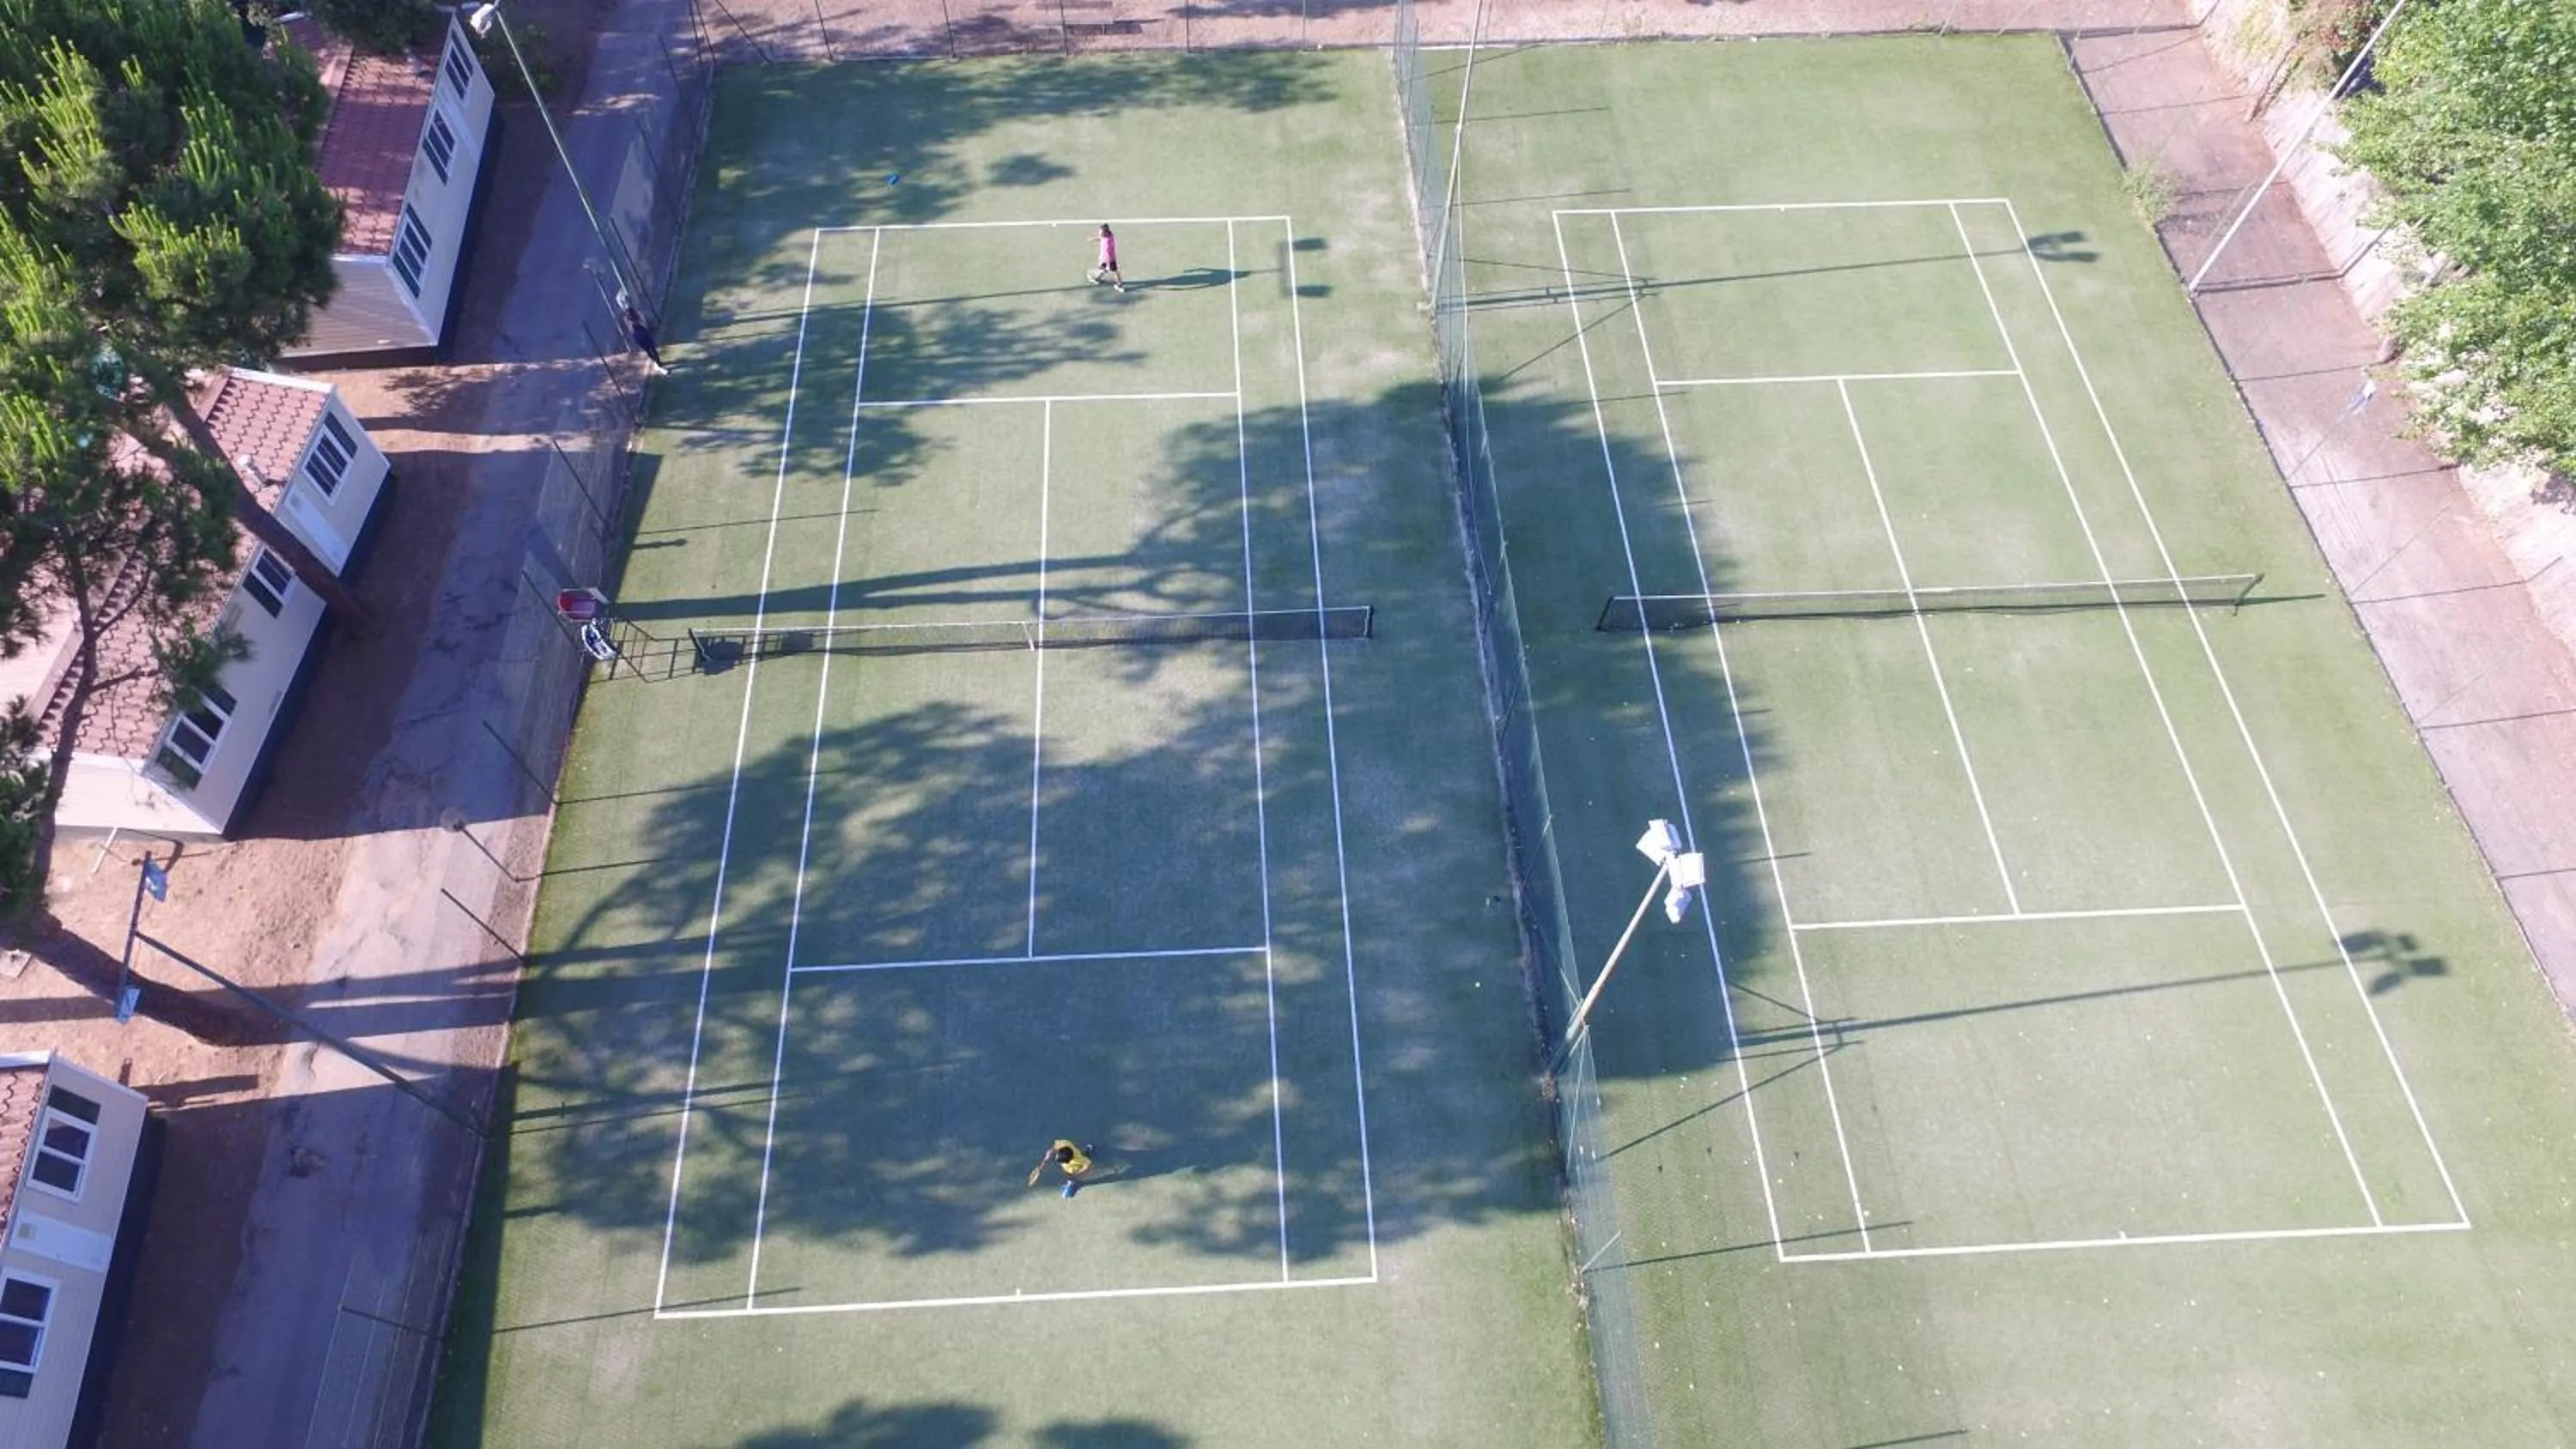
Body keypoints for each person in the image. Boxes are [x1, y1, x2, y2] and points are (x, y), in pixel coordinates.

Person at [1031, 1139, 1096, 1198]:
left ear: (1068, 1161)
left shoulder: (1077, 1160)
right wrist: (1044, 1162)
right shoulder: (1064, 1143)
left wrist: (1077, 1175)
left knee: (1070, 1175)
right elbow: (1051, 1150)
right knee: (1076, 1150)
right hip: (1074, 1151)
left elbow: (1090, 1166)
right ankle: (1086, 1150)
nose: (1056, 1158)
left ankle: (1071, 1183)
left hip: (1075, 1167)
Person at [623, 304, 667, 373]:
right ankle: (658, 361)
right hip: (643, 334)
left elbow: (632, 328)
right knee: (652, 348)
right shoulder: (635, 317)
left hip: (639, 336)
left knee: (649, 350)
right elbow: (643, 323)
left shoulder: (629, 319)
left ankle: (656, 361)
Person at [1087, 224, 1124, 293]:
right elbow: (1101, 238)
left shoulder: (1108, 240)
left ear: (1106, 232)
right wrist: (1093, 239)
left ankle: (1119, 285)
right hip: (1106, 259)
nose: (1100, 234)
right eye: (1099, 232)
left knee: (1114, 271)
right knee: (1104, 270)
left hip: (1109, 259)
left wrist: (1107, 262)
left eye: (1101, 233)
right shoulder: (1109, 235)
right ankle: (1096, 278)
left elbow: (1107, 252)